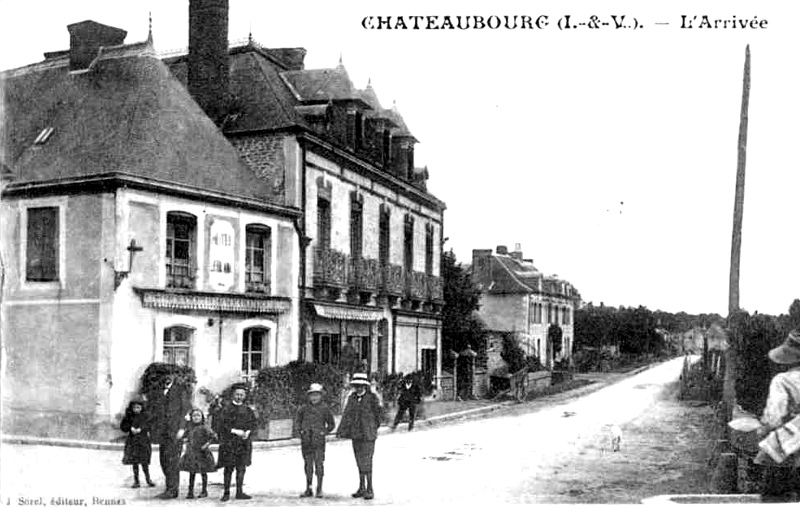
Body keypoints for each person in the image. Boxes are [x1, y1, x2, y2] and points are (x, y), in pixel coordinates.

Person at [755, 329, 800, 501]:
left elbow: (774, 418)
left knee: (774, 496)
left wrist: (763, 427)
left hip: (791, 448)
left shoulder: (782, 380)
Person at [336, 372, 382, 500]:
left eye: (361, 385)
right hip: (356, 435)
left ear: (365, 386)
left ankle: (370, 488)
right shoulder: (352, 398)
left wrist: (372, 427)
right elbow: (347, 415)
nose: (359, 388)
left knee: (367, 461)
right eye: (357, 385)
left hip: (368, 435)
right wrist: (342, 431)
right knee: (359, 461)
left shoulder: (372, 398)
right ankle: (361, 487)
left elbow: (379, 415)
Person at [216, 383, 258, 501]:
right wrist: (235, 431)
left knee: (241, 468)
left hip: (243, 443)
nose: (239, 397)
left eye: (241, 395)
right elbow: (221, 426)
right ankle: (226, 493)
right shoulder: (226, 409)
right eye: (237, 394)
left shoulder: (247, 410)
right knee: (228, 468)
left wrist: (248, 432)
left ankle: (239, 492)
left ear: (244, 396)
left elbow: (253, 424)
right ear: (233, 395)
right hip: (229, 443)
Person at [294, 383, 336, 498]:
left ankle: (319, 488)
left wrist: (324, 432)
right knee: (308, 465)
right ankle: (309, 488)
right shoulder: (303, 408)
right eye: (312, 395)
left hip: (318, 441)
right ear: (308, 396)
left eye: (317, 395)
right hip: (306, 441)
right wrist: (301, 432)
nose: (314, 398)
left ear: (321, 396)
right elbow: (297, 422)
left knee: (319, 465)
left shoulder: (325, 408)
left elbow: (331, 424)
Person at [153, 375, 192, 500]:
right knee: (163, 460)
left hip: (175, 432)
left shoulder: (180, 391)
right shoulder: (159, 391)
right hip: (163, 433)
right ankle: (169, 488)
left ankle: (172, 490)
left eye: (169, 376)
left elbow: (185, 411)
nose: (166, 379)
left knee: (172, 461)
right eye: (164, 376)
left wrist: (182, 428)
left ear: (173, 378)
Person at [179, 408, 217, 499]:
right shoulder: (189, 427)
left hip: (202, 453)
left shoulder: (205, 427)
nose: (196, 417)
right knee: (192, 472)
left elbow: (214, 437)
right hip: (192, 453)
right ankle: (190, 491)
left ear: (202, 417)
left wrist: (207, 444)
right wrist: (184, 439)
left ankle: (204, 491)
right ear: (191, 417)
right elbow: (184, 436)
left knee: (203, 472)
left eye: (198, 415)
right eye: (194, 416)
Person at [120, 398, 155, 488]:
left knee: (144, 462)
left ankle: (148, 479)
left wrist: (141, 429)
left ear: (142, 408)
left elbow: (150, 425)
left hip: (143, 441)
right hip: (132, 441)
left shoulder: (145, 416)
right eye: (134, 408)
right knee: (135, 462)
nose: (136, 410)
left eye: (138, 407)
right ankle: (136, 481)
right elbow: (123, 426)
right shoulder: (129, 416)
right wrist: (130, 428)